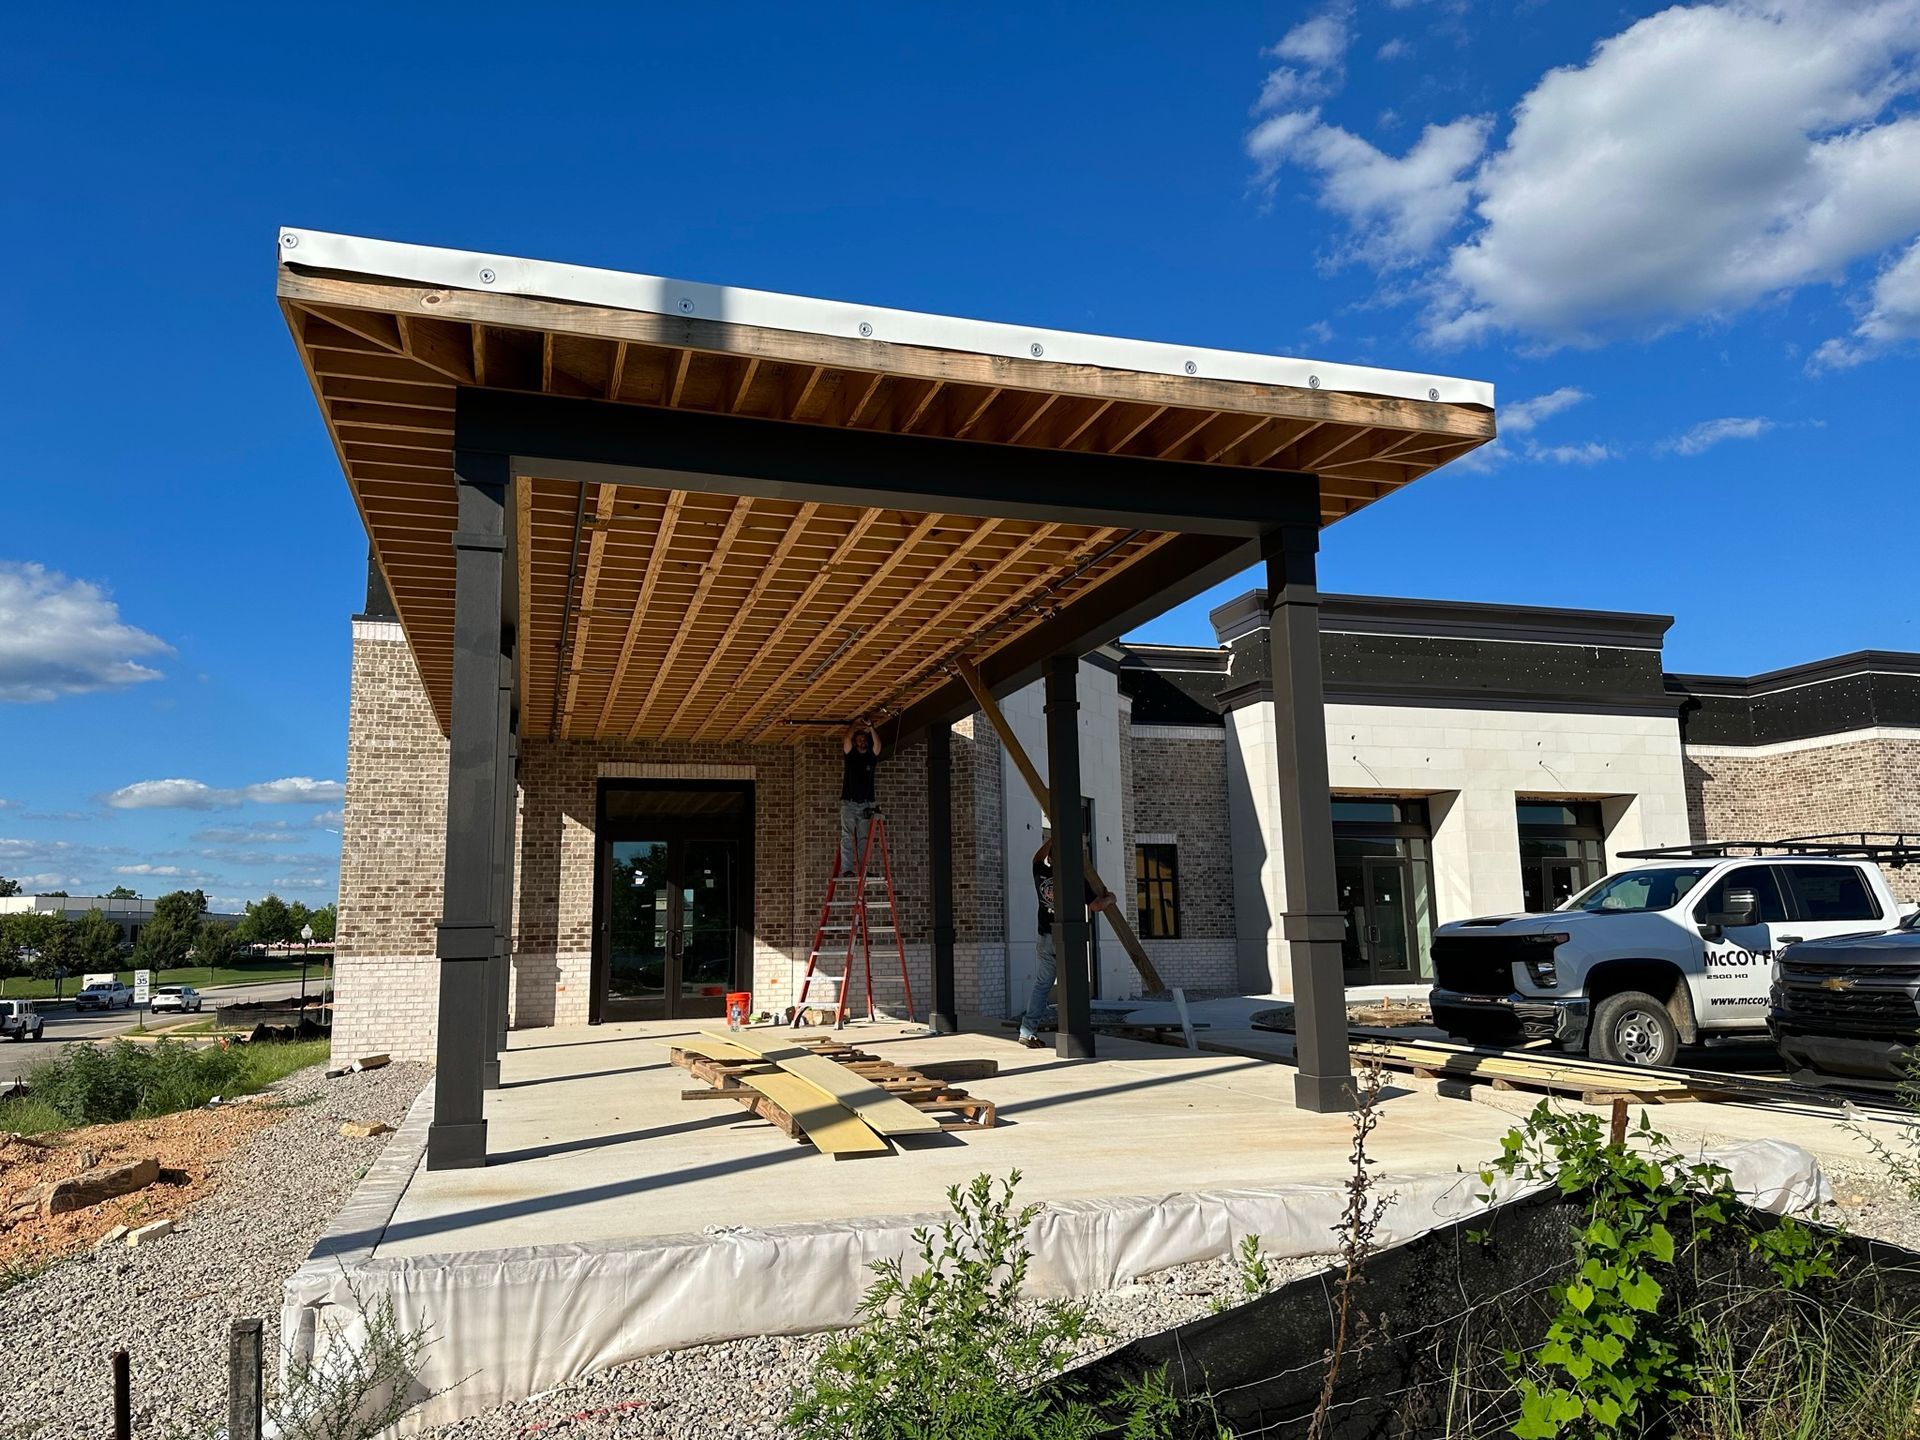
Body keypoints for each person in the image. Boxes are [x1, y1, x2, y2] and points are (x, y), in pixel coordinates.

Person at [1018, 826, 1115, 1048]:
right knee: (1072, 985)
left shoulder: (1041, 874)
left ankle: (1027, 1029)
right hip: (1068, 939)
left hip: (1045, 936)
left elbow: (1036, 858)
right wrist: (1111, 898)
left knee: (1042, 985)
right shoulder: (1075, 879)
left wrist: (1052, 839)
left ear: (1051, 859)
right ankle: (1073, 1033)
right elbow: (1096, 906)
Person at [837, 719, 883, 876]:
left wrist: (871, 727)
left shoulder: (871, 757)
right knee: (847, 837)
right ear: (856, 742)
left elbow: (878, 745)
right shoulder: (850, 755)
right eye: (859, 740)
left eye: (864, 739)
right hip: (849, 803)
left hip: (865, 805)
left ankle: (864, 870)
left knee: (864, 839)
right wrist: (855, 724)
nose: (862, 741)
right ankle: (848, 869)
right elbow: (846, 739)